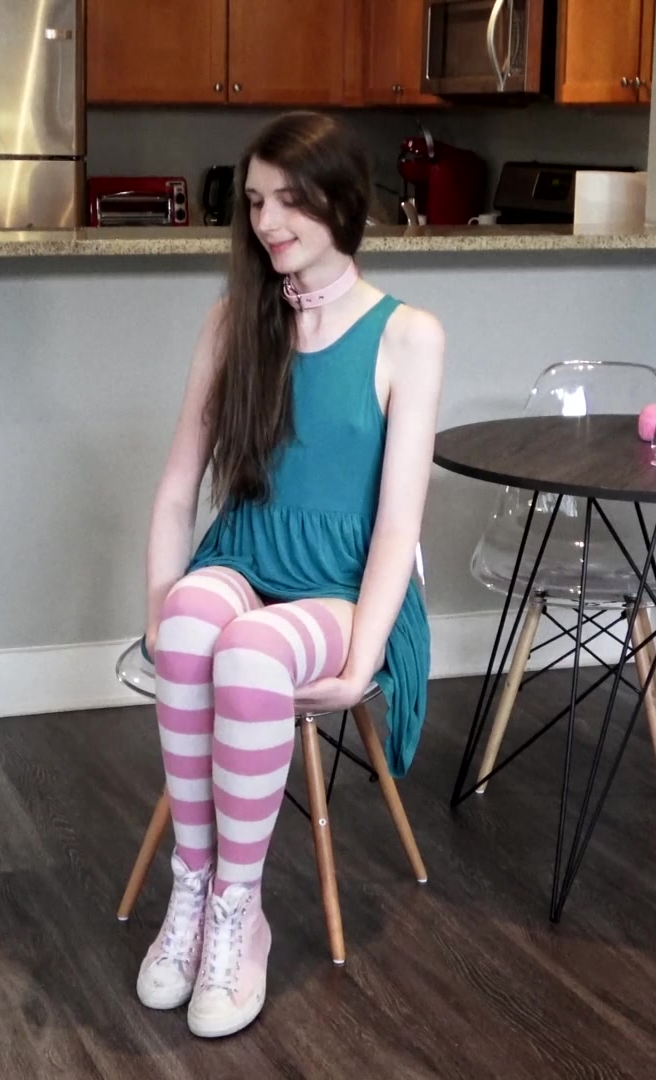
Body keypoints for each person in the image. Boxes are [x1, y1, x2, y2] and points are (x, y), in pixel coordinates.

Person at [136, 112, 445, 1039]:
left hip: (347, 585)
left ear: (342, 202)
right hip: (247, 554)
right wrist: (158, 612)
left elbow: (398, 525)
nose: (267, 222)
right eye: (256, 202)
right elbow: (178, 488)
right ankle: (193, 888)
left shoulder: (408, 335)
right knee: (196, 617)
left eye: (289, 201)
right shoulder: (236, 322)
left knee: (253, 648)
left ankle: (242, 912)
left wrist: (362, 662)